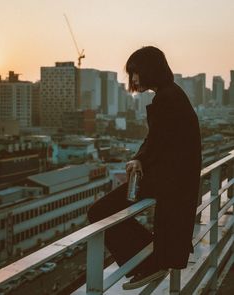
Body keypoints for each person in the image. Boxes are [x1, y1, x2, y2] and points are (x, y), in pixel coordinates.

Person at [87, 46, 202, 290]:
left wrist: (141, 160)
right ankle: (153, 257)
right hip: (174, 179)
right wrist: (140, 158)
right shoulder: (172, 94)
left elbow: (159, 142)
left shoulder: (166, 98)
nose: (134, 78)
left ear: (150, 70)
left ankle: (150, 262)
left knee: (99, 212)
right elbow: (157, 139)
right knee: (105, 211)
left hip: (167, 179)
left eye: (136, 72)